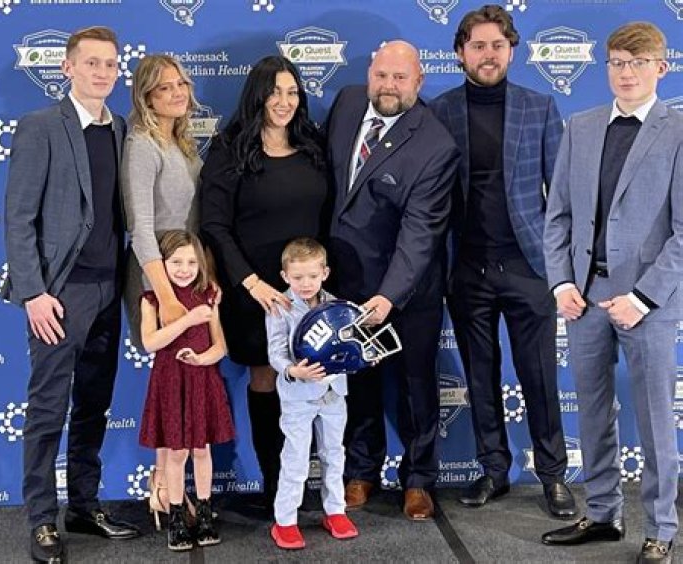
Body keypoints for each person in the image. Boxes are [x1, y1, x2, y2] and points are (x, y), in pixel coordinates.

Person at [541, 22, 682, 563]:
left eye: (638, 63)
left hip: (647, 303)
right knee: (594, 413)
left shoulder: (678, 131)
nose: (626, 73)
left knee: (655, 421)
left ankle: (661, 528)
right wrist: (561, 281)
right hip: (584, 298)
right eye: (618, 62)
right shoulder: (581, 126)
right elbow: (558, 216)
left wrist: (642, 298)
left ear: (660, 68)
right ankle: (603, 514)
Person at [428, 4, 576, 518]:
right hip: (466, 268)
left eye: (497, 45)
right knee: (479, 376)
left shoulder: (540, 107)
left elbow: (562, 198)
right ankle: (494, 469)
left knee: (540, 378)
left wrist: (560, 269)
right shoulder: (440, 111)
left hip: (529, 268)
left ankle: (553, 476)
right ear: (460, 53)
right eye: (477, 46)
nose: (487, 55)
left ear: (512, 51)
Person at [2, 26, 139, 563]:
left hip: (109, 289)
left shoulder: (120, 127)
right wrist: (34, 293)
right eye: (92, 63)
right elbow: (18, 219)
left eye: (111, 64)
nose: (103, 72)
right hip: (60, 294)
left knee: (94, 405)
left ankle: (83, 505)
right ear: (67, 68)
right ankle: (41, 518)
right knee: (47, 410)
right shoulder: (40, 127)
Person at [326, 40, 459, 520]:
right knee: (357, 383)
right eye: (381, 75)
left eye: (400, 78)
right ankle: (361, 471)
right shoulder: (346, 104)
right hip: (345, 283)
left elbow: (421, 233)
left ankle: (419, 479)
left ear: (418, 81)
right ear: (370, 73)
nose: (389, 86)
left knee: (414, 386)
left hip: (407, 291)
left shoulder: (436, 145)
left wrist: (388, 296)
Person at [199, 55, 328, 510]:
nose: (284, 101)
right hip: (255, 292)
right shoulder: (229, 149)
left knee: (312, 379)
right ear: (257, 96)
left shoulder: (312, 145)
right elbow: (214, 226)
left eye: (292, 92)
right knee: (266, 376)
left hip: (308, 291)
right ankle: (277, 485)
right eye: (274, 92)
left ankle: (304, 479)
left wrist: (318, 282)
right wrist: (251, 283)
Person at [121, 53, 203, 524]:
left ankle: (168, 487)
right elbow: (141, 228)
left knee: (185, 381)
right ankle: (164, 489)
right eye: (164, 87)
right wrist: (167, 297)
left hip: (188, 273)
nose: (176, 93)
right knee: (172, 384)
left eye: (181, 84)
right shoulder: (142, 144)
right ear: (146, 97)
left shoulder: (182, 142)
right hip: (159, 280)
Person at [138, 230, 235, 552]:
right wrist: (188, 319)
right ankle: (176, 515)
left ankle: (205, 512)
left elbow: (220, 345)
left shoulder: (209, 296)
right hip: (170, 382)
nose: (184, 269)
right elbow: (150, 342)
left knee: (202, 450)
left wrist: (201, 359)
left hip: (202, 379)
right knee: (177, 452)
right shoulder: (151, 299)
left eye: (192, 262)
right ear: (162, 265)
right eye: (176, 262)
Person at [265, 238, 358, 549]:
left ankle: (336, 511)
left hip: (334, 394)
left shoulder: (338, 306)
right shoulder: (279, 306)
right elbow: (276, 353)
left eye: (312, 276)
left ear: (325, 273)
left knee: (334, 454)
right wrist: (294, 371)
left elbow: (349, 345)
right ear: (284, 276)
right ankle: (285, 521)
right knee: (296, 458)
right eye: (297, 277)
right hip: (298, 397)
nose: (305, 283)